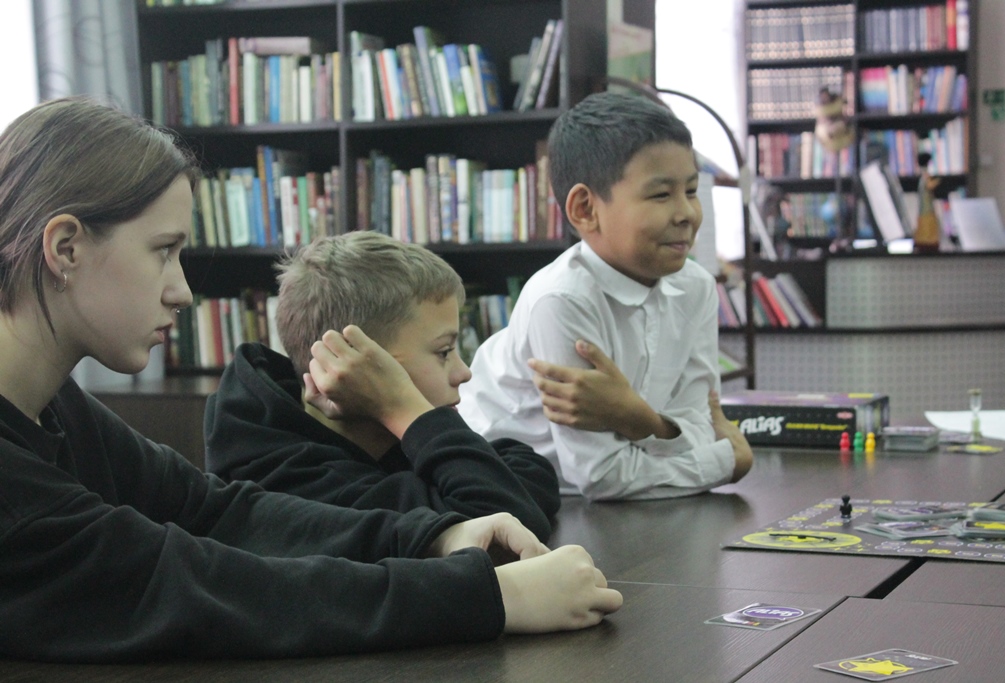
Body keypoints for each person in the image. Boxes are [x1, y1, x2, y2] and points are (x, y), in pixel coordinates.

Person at [0, 97, 622, 662]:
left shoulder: (55, 406)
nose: (182, 291)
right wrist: (491, 597)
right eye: (162, 251)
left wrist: (438, 536)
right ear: (66, 248)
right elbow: (185, 583)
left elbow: (212, 512)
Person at [459, 92, 754, 501]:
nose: (687, 213)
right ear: (585, 209)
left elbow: (705, 426)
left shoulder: (697, 287)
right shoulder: (562, 300)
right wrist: (725, 463)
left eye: (691, 190)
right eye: (661, 195)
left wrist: (641, 420)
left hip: (616, 503)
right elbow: (602, 476)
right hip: (509, 500)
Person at [204, 231, 560, 540]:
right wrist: (405, 408)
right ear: (355, 363)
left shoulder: (377, 438)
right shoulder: (294, 486)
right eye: (444, 352)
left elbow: (528, 470)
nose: (464, 372)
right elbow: (509, 518)